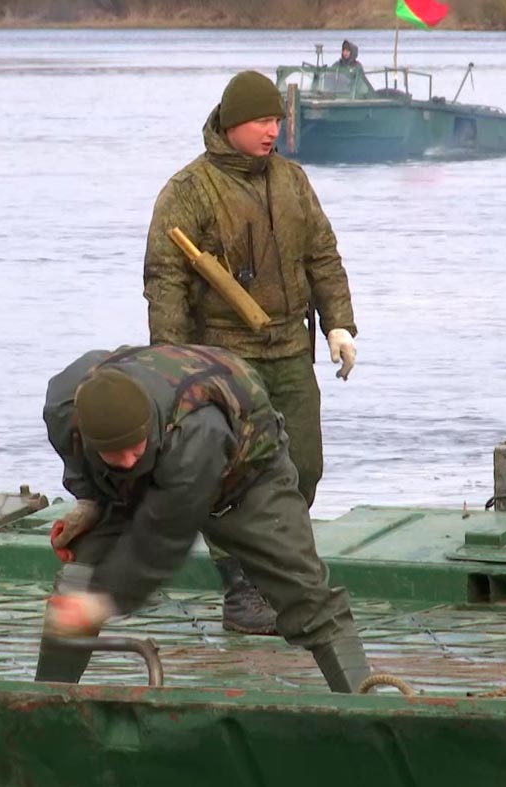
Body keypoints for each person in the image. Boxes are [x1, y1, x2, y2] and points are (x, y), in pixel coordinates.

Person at [142, 70, 360, 633]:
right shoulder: (187, 191)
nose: (274, 132)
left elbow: (323, 257)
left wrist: (339, 325)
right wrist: (170, 364)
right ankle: (241, 591)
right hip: (223, 357)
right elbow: (165, 280)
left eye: (278, 122)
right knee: (230, 476)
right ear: (234, 124)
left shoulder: (292, 181)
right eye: (264, 122)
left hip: (291, 346)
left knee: (302, 466)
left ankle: (273, 569)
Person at [37, 344, 373, 693]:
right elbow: (78, 456)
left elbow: (163, 538)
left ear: (150, 427)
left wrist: (102, 602)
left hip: (247, 476)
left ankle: (366, 705)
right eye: (112, 452)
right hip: (148, 474)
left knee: (307, 596)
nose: (125, 459)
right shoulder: (67, 403)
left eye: (133, 447)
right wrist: (90, 499)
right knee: (79, 578)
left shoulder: (197, 431)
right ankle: (46, 700)